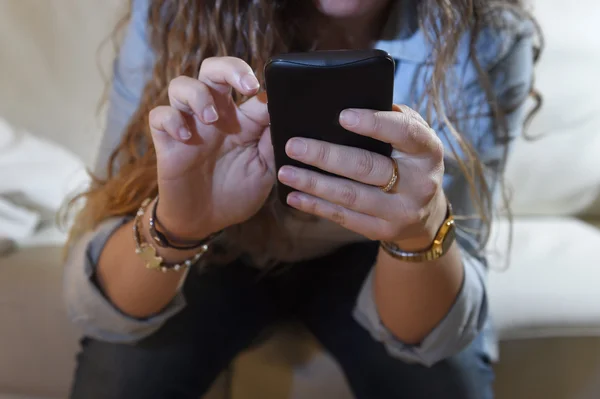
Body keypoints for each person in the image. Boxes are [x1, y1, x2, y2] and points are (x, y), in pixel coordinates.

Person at [63, 0, 539, 397]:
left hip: (368, 255)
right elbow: (101, 305)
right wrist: (181, 223)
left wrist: (418, 227)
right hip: (220, 253)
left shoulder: (484, 33)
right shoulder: (175, 9)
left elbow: (433, 336)